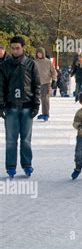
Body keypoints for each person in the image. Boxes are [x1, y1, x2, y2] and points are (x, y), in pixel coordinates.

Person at [0, 36, 41, 178]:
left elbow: (36, 86)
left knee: (25, 139)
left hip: (27, 107)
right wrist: (1, 105)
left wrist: (36, 104)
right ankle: (11, 166)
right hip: (10, 107)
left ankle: (27, 165)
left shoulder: (31, 64)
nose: (15, 51)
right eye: (12, 48)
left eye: (18, 48)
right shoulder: (4, 66)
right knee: (11, 139)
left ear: (23, 48)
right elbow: (1, 87)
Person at [35, 47, 57, 121]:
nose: (39, 54)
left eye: (41, 53)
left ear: (43, 54)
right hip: (38, 83)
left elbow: (53, 72)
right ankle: (43, 113)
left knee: (45, 99)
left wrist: (54, 80)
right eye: (38, 53)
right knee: (41, 98)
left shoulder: (48, 62)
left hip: (47, 83)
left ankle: (46, 114)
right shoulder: (35, 62)